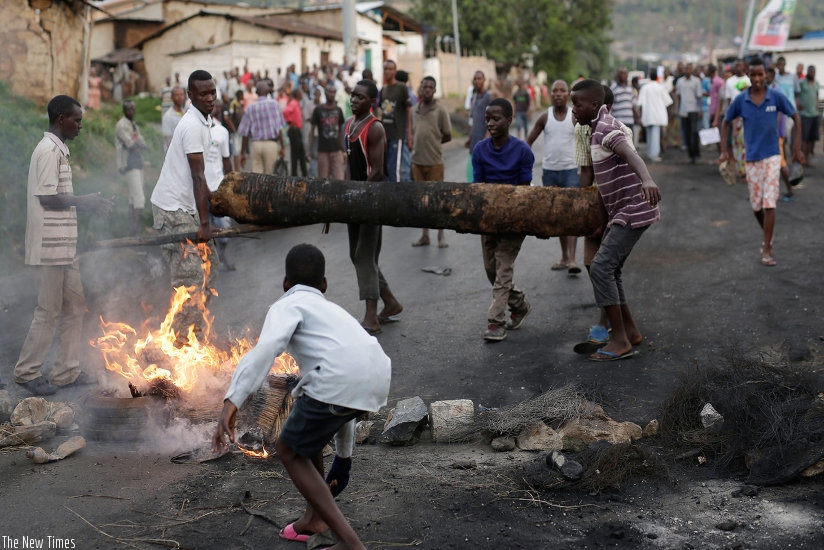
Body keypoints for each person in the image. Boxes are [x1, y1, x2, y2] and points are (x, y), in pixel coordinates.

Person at [212, 243, 390, 550]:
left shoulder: (286, 306)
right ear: (324, 285)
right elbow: (343, 402)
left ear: (285, 283)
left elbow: (266, 350)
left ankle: (350, 543)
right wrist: (344, 459)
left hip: (337, 379)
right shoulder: (333, 311)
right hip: (375, 374)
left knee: (288, 450)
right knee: (306, 432)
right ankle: (314, 518)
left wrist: (232, 401)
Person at [14, 95, 114, 396]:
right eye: (77, 120)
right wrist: (85, 202)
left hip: (64, 248)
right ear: (61, 119)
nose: (80, 126)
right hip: (48, 248)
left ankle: (65, 372)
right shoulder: (47, 151)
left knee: (75, 307)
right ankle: (27, 372)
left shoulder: (60, 151)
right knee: (49, 310)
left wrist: (90, 205)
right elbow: (47, 198)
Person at [570, 79, 661, 361]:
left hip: (633, 209)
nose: (574, 110)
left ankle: (619, 340)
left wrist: (646, 178)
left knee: (600, 267)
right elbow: (601, 179)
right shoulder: (594, 130)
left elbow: (630, 153)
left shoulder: (607, 129)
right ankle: (630, 331)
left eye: (578, 104)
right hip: (621, 212)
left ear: (595, 106)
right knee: (612, 269)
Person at [150, 70, 219, 347]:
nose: (210, 98)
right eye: (204, 94)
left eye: (213, 92)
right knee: (190, 275)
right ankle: (181, 345)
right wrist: (205, 223)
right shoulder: (190, 124)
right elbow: (198, 176)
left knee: (209, 268)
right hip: (171, 208)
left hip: (186, 207)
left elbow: (204, 179)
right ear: (190, 96)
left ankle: (195, 333)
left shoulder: (205, 119)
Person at [720, 58, 804, 267]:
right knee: (756, 206)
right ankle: (768, 235)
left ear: (766, 75)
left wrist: (796, 148)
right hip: (752, 158)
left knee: (769, 202)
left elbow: (795, 115)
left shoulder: (775, 97)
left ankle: (766, 248)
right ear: (748, 75)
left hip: (772, 155)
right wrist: (724, 151)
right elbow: (725, 122)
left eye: (761, 75)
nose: (758, 79)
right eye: (754, 75)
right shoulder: (741, 100)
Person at [345, 80, 403, 334]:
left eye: (360, 97)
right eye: (352, 95)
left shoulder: (375, 128)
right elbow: (348, 166)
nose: (354, 100)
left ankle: (371, 317)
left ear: (372, 102)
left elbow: (377, 172)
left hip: (370, 199)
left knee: (364, 256)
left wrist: (360, 198)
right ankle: (390, 302)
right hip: (352, 199)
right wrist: (341, 198)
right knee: (356, 255)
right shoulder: (348, 125)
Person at [473, 98, 534, 342]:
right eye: (487, 118)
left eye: (496, 118)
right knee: (492, 270)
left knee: (503, 269)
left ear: (509, 120)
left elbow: (524, 190)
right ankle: (519, 304)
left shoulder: (522, 151)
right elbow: (478, 189)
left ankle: (495, 322)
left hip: (515, 220)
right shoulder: (480, 150)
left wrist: (514, 216)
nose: (490, 123)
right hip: (488, 219)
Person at [526, 79, 580, 274]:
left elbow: (587, 139)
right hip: (549, 173)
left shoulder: (574, 117)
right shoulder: (545, 117)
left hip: (570, 172)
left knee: (572, 215)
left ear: (568, 95)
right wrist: (523, 167)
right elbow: (528, 142)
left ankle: (573, 260)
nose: (558, 94)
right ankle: (564, 257)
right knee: (558, 217)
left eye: (562, 91)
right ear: (550, 94)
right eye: (554, 91)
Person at [410, 76, 452, 248]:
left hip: (435, 162)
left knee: (437, 199)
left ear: (434, 90)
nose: (427, 89)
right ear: (420, 89)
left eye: (430, 87)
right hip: (417, 162)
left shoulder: (440, 110)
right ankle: (424, 235)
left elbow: (447, 134)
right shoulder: (414, 110)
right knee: (422, 201)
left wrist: (434, 144)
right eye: (424, 86)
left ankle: (441, 235)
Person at [205, 100, 235, 271]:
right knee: (203, 228)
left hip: (217, 187)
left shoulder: (222, 132)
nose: (211, 107)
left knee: (223, 226)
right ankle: (207, 261)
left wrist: (229, 184)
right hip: (198, 189)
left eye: (214, 105)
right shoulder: (193, 131)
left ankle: (222, 256)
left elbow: (226, 160)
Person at [237, 80, 286, 175]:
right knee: (271, 176)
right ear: (268, 91)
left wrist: (242, 153)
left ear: (256, 92)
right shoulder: (275, 105)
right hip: (271, 144)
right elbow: (280, 128)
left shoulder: (250, 108)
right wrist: (283, 147)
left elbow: (245, 133)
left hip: (256, 145)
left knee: (257, 177)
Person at [115, 100, 147, 234]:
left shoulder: (133, 124)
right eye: (128, 109)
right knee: (139, 198)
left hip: (137, 162)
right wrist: (138, 145)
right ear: (124, 111)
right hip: (129, 164)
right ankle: (135, 231)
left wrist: (139, 144)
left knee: (133, 198)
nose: (131, 112)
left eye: (132, 109)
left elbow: (142, 142)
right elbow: (130, 144)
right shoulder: (121, 125)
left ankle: (132, 231)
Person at [379, 60, 412, 182]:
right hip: (385, 136)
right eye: (385, 69)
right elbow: (381, 112)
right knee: (386, 168)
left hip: (397, 135)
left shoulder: (401, 88)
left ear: (394, 71)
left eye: (390, 69)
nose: (387, 71)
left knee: (395, 169)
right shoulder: (383, 89)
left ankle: (396, 197)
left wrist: (409, 136)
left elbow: (409, 112)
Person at [308, 83, 346, 180]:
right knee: (323, 181)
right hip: (323, 151)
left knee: (339, 180)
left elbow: (341, 131)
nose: (332, 94)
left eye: (334, 92)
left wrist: (343, 150)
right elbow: (312, 131)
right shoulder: (318, 110)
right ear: (325, 93)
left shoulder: (338, 110)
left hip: (336, 151)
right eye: (329, 91)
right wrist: (309, 150)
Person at [636, 69, 672, 162]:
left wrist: (639, 116)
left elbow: (640, 103)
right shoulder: (660, 87)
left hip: (648, 115)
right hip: (658, 115)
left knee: (649, 135)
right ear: (657, 77)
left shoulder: (645, 88)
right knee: (655, 136)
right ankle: (654, 155)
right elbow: (668, 102)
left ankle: (650, 152)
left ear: (649, 78)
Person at [466, 71, 491, 182]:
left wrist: (486, 139)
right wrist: (469, 137)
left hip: (485, 142)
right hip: (474, 142)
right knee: (471, 176)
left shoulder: (488, 97)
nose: (477, 81)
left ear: (484, 80)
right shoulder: (474, 98)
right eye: (475, 79)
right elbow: (472, 120)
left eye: (479, 78)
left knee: (485, 176)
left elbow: (492, 121)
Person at [675, 63, 703, 163]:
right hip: (683, 110)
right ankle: (691, 155)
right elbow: (678, 96)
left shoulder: (696, 81)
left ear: (691, 70)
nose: (687, 71)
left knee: (694, 132)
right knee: (686, 133)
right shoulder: (680, 81)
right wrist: (677, 109)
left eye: (689, 69)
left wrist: (700, 110)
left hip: (693, 110)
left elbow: (699, 97)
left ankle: (696, 153)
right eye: (686, 69)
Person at [797, 65, 819, 166]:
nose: (812, 73)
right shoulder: (801, 82)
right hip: (805, 114)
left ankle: (807, 159)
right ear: (807, 72)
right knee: (804, 138)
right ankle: (802, 159)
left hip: (814, 113)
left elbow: (817, 95)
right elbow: (796, 94)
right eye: (810, 71)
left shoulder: (816, 84)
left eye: (813, 71)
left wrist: (817, 105)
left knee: (812, 138)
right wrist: (798, 103)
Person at [283, 88, 308, 177]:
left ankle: (302, 173)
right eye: (300, 93)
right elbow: (285, 112)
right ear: (297, 94)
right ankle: (294, 174)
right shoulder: (293, 103)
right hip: (294, 130)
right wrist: (290, 121)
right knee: (295, 153)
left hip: (297, 130)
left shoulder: (296, 103)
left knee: (300, 152)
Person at [162, 86, 186, 151]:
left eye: (181, 94)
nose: (179, 97)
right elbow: (168, 138)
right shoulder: (168, 116)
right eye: (177, 95)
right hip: (174, 152)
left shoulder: (185, 112)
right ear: (172, 97)